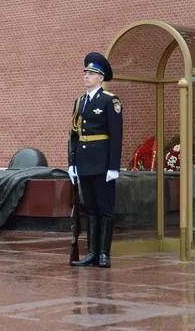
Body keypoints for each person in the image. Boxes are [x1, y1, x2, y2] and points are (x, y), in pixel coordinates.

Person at [68, 52, 123, 268]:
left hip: (102, 163)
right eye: (86, 73)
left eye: (91, 73)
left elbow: (116, 135)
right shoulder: (79, 102)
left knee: (105, 209)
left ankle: (103, 254)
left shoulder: (110, 101)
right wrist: (72, 163)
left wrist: (114, 166)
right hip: (84, 162)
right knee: (90, 209)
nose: (86, 76)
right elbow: (73, 134)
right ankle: (91, 252)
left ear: (101, 78)